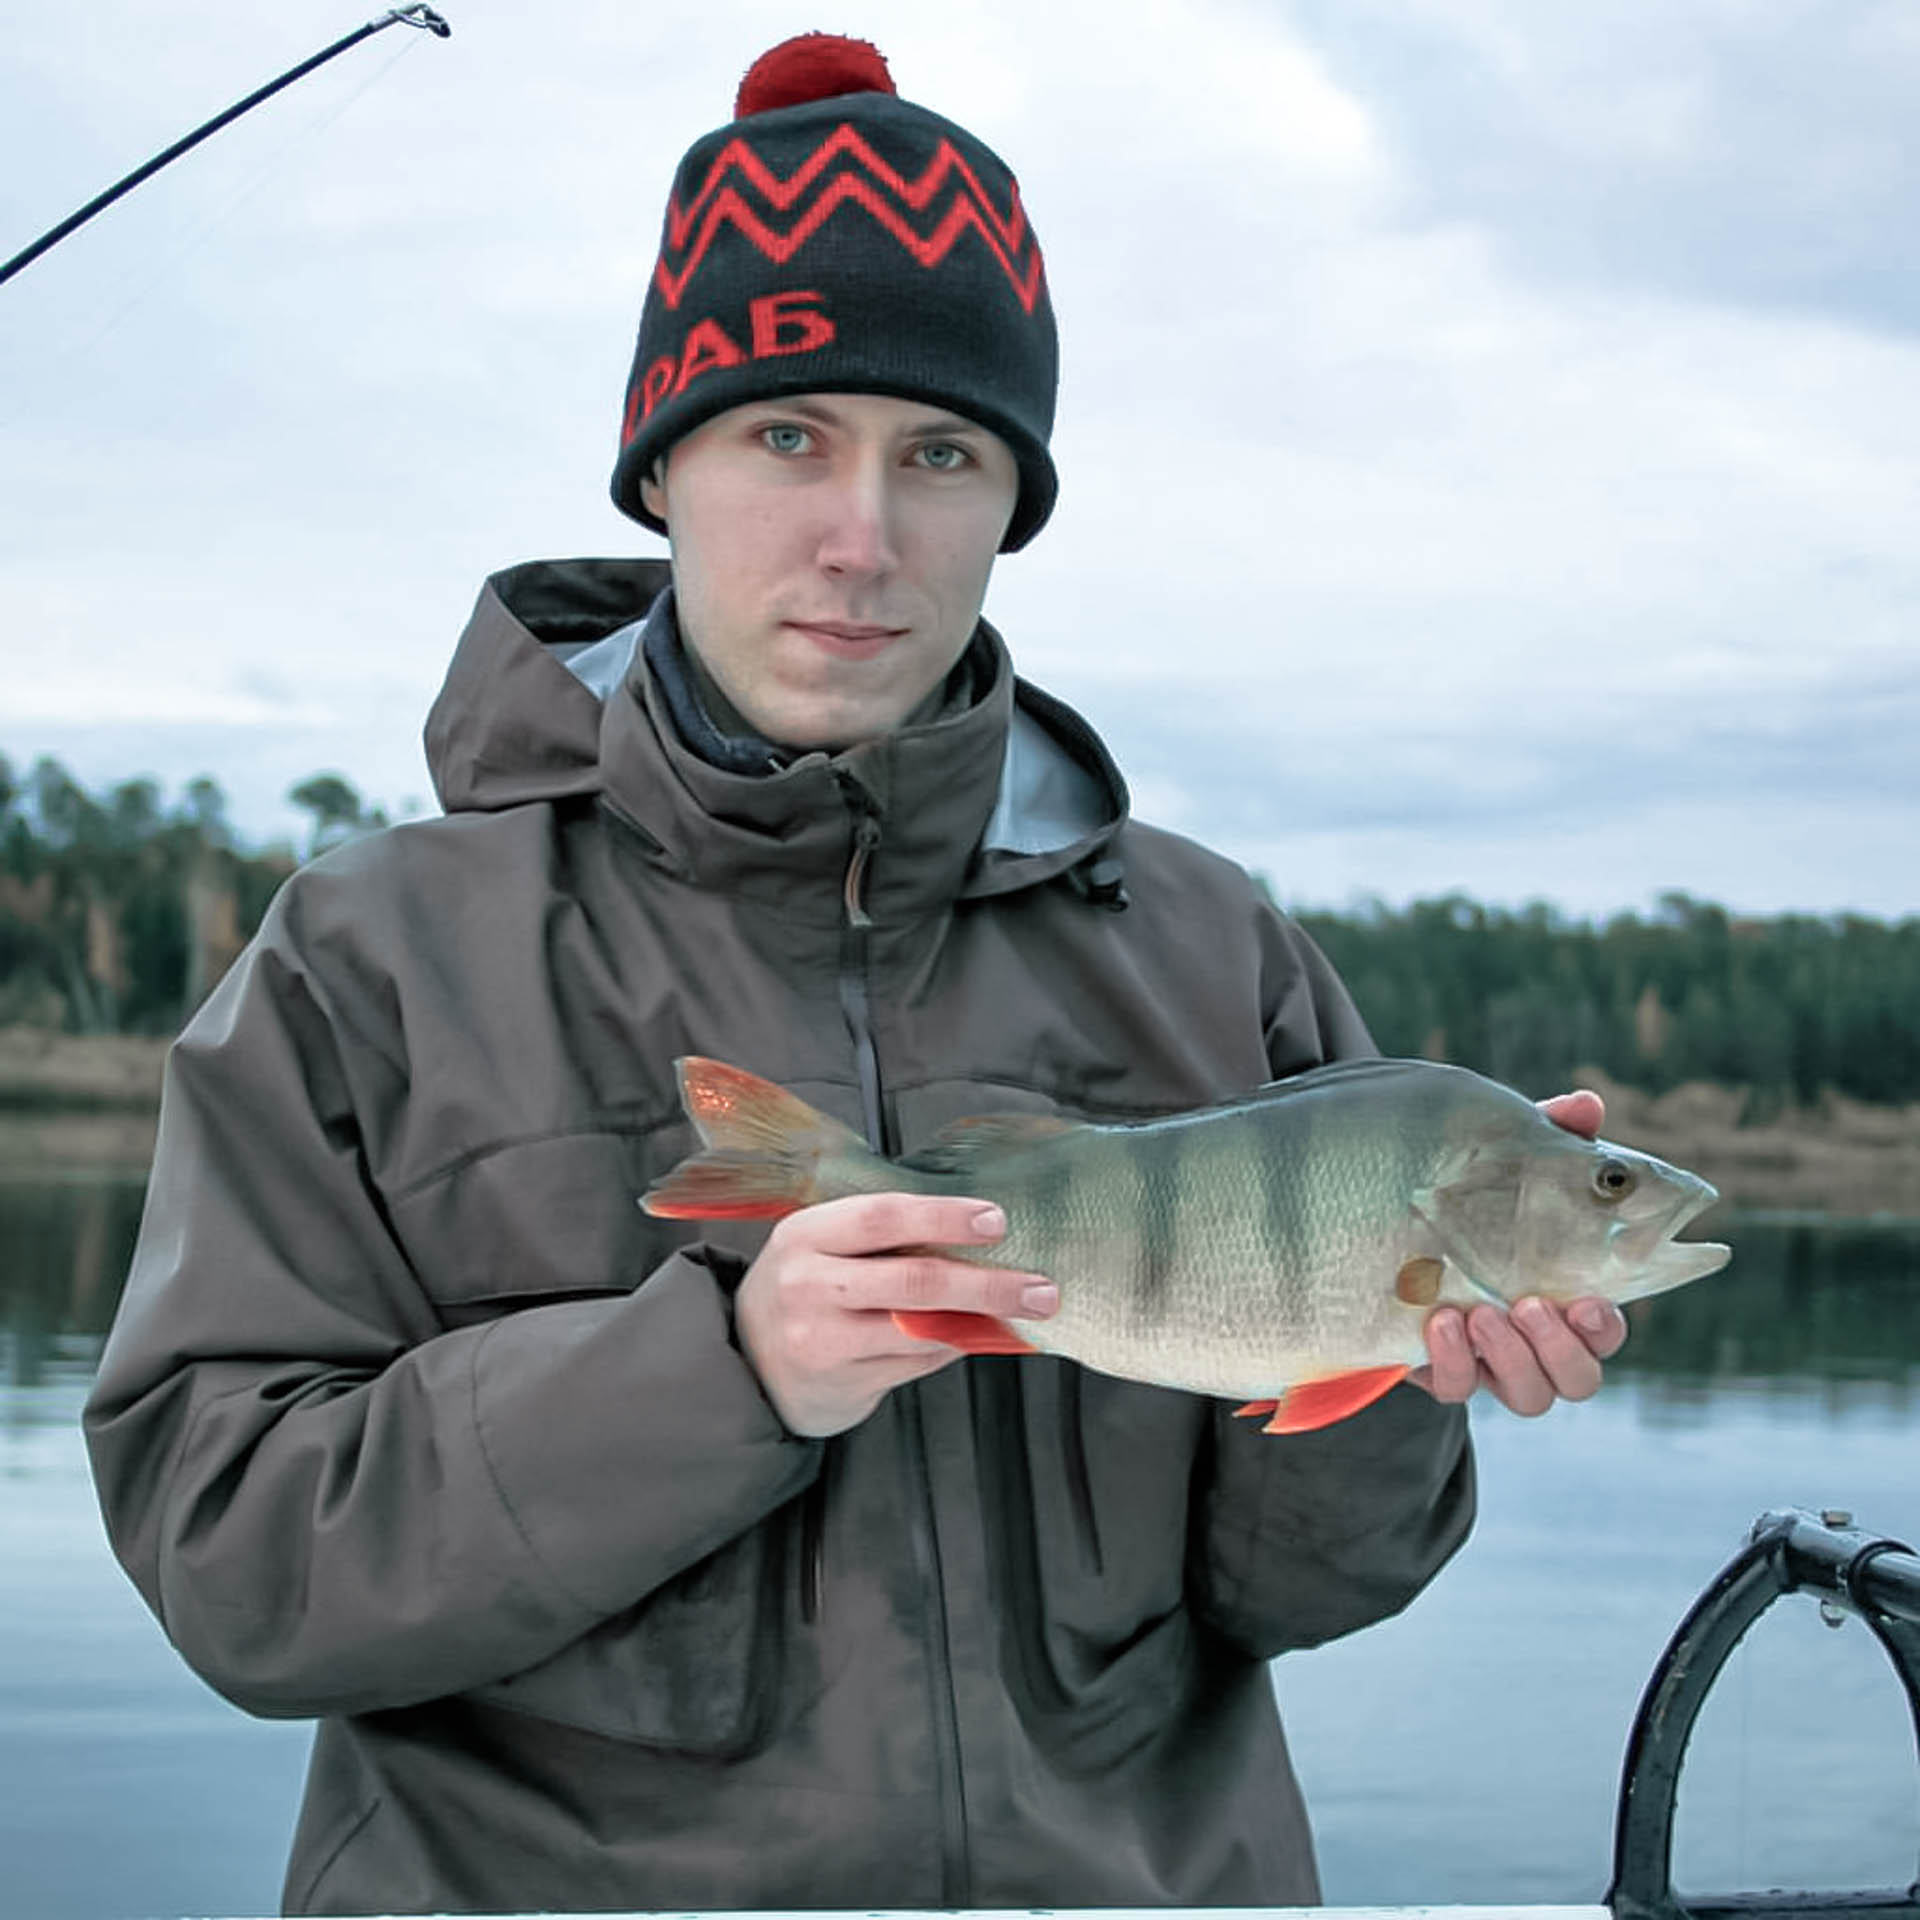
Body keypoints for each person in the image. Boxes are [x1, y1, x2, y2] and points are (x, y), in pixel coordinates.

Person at [84, 32, 1623, 1917]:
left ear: (1009, 505)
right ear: (666, 471)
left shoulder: (1221, 955)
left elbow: (1301, 1595)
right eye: (788, 435)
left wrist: (1404, 1357)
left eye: (943, 455)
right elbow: (238, 1573)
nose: (862, 538)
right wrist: (720, 1369)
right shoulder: (371, 958)